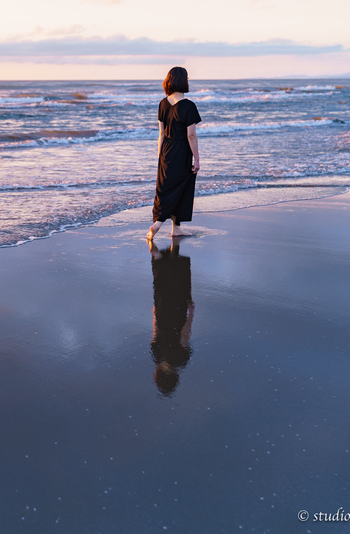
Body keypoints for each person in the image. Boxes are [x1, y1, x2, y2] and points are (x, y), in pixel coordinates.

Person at [147, 67, 201, 240]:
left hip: (165, 151)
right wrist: (197, 159)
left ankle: (176, 228)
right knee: (181, 188)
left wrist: (160, 156)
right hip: (181, 152)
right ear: (184, 81)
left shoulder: (162, 103)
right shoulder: (188, 106)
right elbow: (191, 135)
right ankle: (158, 224)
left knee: (165, 188)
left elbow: (161, 133)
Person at [149, 238, 194, 397]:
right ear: (158, 375)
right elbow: (155, 332)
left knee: (176, 288)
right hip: (162, 315)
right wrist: (154, 313)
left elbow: (184, 334)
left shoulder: (181, 359)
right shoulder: (157, 356)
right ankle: (158, 258)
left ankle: (172, 254)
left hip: (177, 316)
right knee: (161, 286)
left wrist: (191, 314)